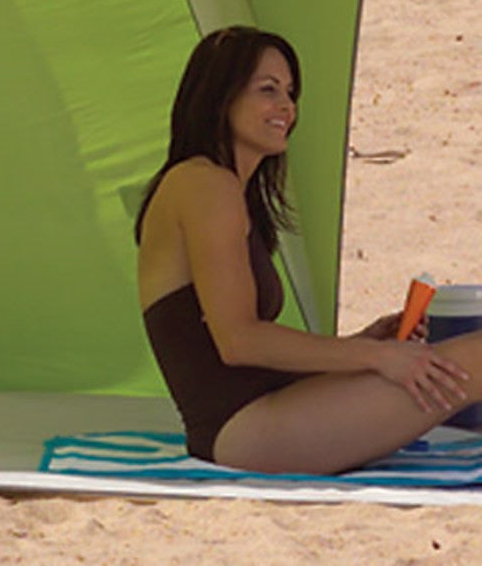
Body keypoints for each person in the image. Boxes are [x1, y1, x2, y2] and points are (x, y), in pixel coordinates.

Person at [136, 25, 482, 475]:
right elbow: (239, 341)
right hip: (246, 431)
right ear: (221, 97)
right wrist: (378, 357)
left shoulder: (219, 189)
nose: (286, 107)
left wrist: (364, 342)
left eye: (290, 92)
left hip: (258, 416)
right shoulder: (204, 185)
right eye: (268, 89)